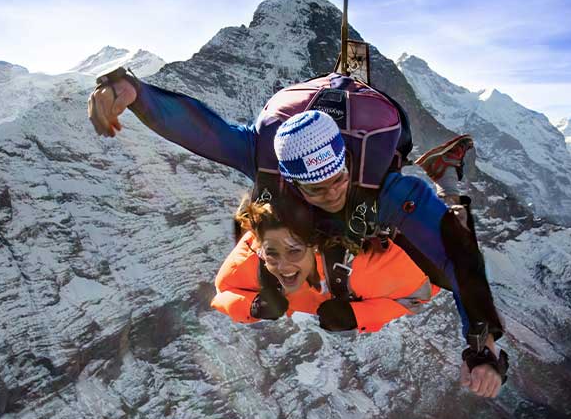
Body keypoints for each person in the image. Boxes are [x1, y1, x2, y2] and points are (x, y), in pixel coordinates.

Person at [88, 70, 509, 399]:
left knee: (441, 255)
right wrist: (134, 92)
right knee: (269, 232)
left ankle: (447, 179)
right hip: (303, 204)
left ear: (347, 164)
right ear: (291, 183)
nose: (331, 193)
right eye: (316, 188)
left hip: (380, 172)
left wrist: (482, 348)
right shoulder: (264, 160)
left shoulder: (387, 189)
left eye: (337, 179)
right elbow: (202, 132)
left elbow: (461, 262)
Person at [212, 198, 437, 333]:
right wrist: (252, 305)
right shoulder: (250, 261)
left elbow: (416, 295)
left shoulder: (391, 266)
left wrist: (356, 316)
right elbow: (222, 293)